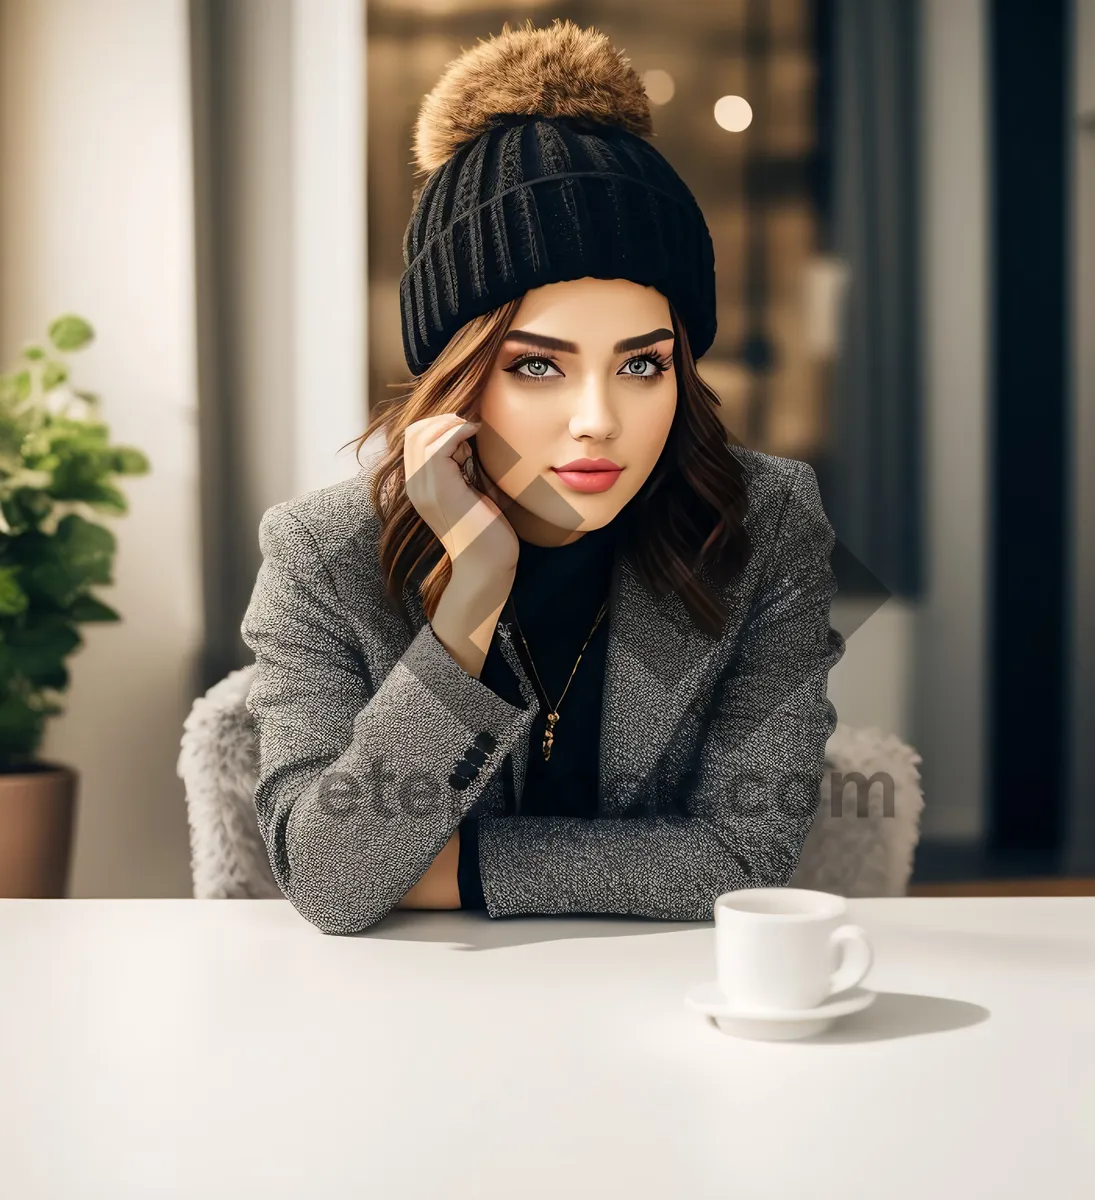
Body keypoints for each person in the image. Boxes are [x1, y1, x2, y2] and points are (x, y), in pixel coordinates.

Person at [240, 17, 846, 935]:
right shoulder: (323, 553)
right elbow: (329, 880)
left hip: (669, 1012)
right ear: (458, 373)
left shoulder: (766, 522)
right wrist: (469, 599)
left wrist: (452, 866)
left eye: (642, 364)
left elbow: (741, 860)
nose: (598, 417)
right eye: (537, 365)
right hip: (416, 1026)